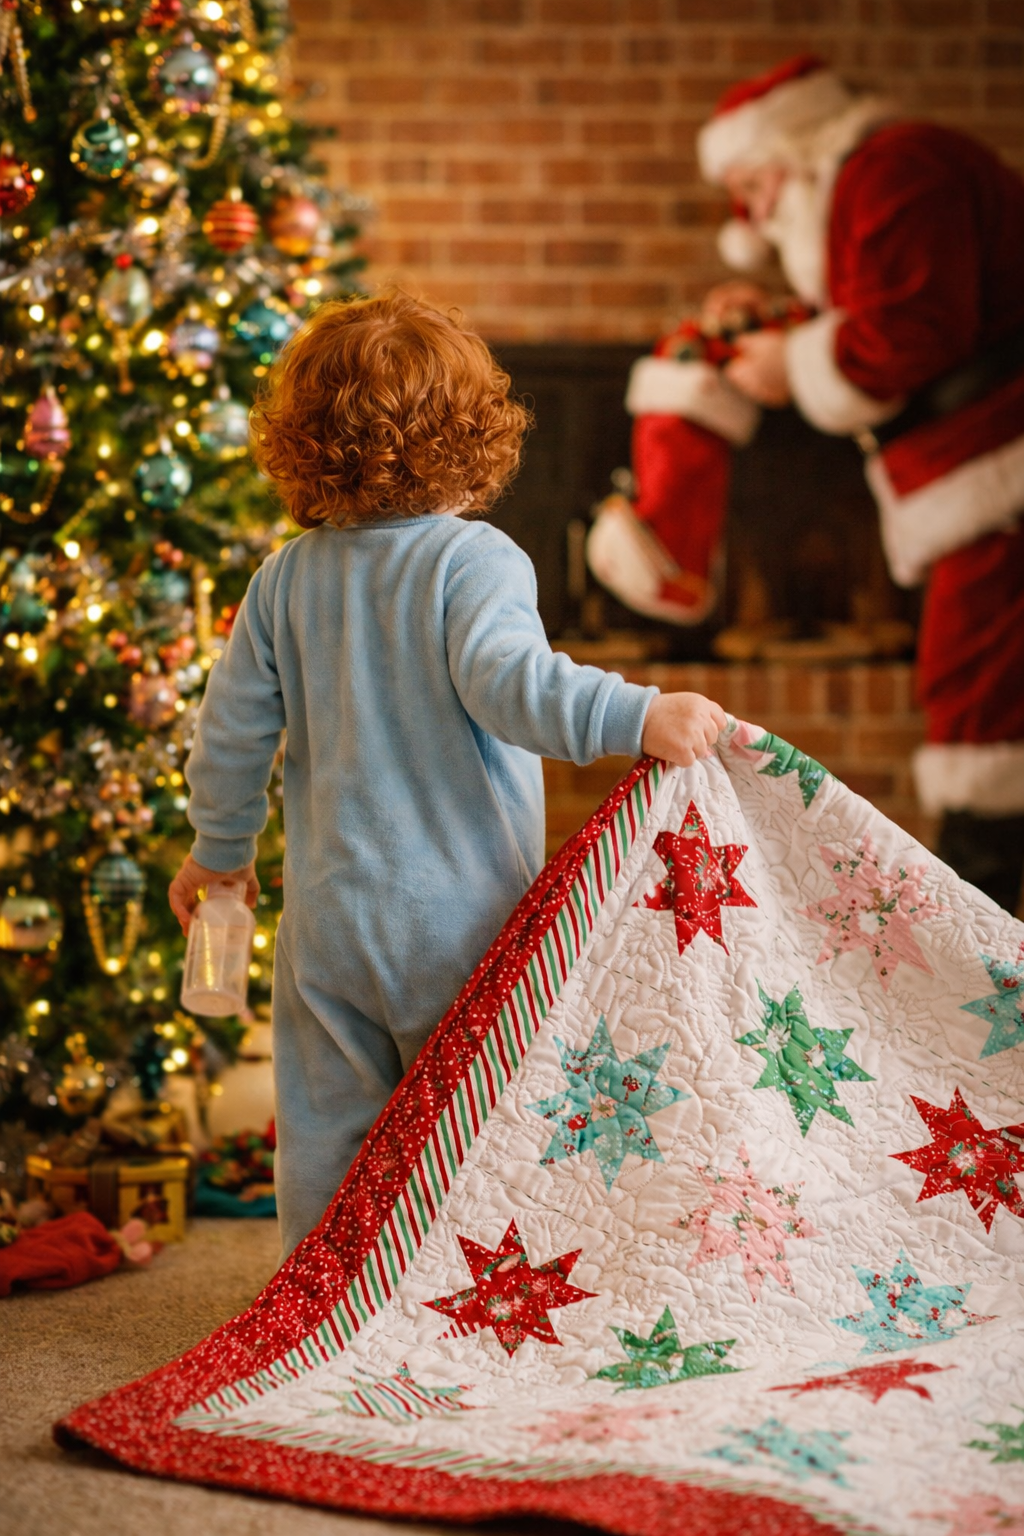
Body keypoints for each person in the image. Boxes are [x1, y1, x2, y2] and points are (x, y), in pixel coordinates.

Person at [167, 292, 727, 1258]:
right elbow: (515, 688)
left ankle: (319, 1297)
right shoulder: (475, 559)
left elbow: (229, 737)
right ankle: (455, 1292)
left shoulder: (285, 579)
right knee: (468, 1124)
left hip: (328, 921)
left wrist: (220, 854)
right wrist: (636, 714)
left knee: (328, 1126)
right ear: (472, 436)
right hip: (459, 923)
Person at [692, 54, 1024, 913]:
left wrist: (791, 364)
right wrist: (780, 326)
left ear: (796, 151)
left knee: (983, 704)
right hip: (980, 471)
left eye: (753, 188)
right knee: (981, 695)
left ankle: (982, 932)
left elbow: (909, 331)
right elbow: (890, 300)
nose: (752, 219)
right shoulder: (874, 180)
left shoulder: (897, 171)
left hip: (998, 469)